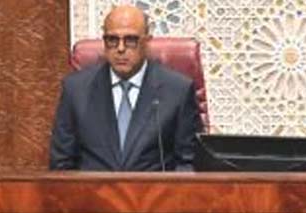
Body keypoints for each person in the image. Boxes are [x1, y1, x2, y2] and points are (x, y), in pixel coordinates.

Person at [49, 5, 201, 171]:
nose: (120, 49)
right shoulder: (76, 90)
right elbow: (62, 165)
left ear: (147, 41)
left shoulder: (178, 91)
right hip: (92, 195)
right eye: (112, 40)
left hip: (154, 195)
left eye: (130, 40)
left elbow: (189, 164)